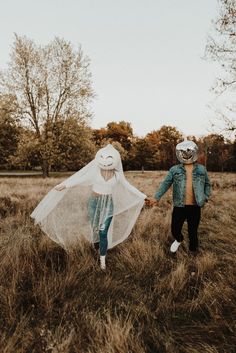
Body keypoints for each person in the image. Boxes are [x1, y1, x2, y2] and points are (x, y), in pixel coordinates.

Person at [31, 144, 146, 270]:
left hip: (108, 205)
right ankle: (96, 248)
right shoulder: (95, 172)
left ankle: (102, 260)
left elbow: (128, 186)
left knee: (103, 232)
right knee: (95, 228)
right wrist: (64, 185)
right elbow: (79, 179)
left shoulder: (118, 175)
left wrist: (143, 196)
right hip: (94, 202)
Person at [146, 141, 211, 254]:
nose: (186, 154)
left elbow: (207, 184)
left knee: (193, 231)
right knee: (175, 229)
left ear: (194, 152)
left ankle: (193, 251)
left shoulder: (201, 169)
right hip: (179, 205)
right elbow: (165, 184)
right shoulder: (174, 170)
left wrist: (205, 196)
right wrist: (156, 197)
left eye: (188, 151)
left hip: (195, 206)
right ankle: (179, 239)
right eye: (183, 151)